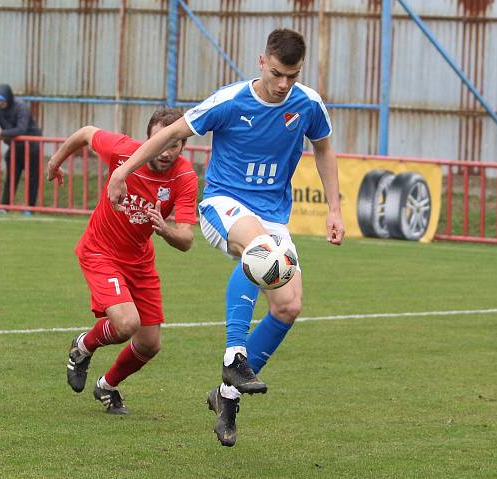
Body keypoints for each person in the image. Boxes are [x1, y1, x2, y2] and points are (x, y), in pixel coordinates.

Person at [106, 28, 344, 446]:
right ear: (261, 62)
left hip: (273, 216)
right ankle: (235, 356)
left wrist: (335, 208)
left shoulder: (307, 104)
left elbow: (323, 147)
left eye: (292, 75)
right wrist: (123, 170)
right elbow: (169, 133)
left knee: (289, 306)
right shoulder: (231, 100)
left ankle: (227, 395)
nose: (283, 83)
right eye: (276, 73)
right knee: (259, 252)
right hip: (223, 204)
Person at [47, 108, 198, 415]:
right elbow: (86, 132)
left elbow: (186, 240)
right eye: (161, 142)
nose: (167, 151)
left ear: (183, 144)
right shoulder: (124, 152)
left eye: (174, 144)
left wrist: (165, 229)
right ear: (148, 139)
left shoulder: (184, 176)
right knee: (127, 323)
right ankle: (84, 346)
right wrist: (55, 161)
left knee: (149, 344)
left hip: (140, 261)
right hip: (100, 250)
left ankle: (107, 385)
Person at [0, 84, 43, 213]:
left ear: (9, 98)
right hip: (15, 148)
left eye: (2, 99)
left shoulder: (21, 107)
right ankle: (5, 206)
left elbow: (21, 129)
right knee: (11, 177)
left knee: (32, 178)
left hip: (31, 147)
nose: (0, 102)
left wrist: (1, 133)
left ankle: (29, 208)